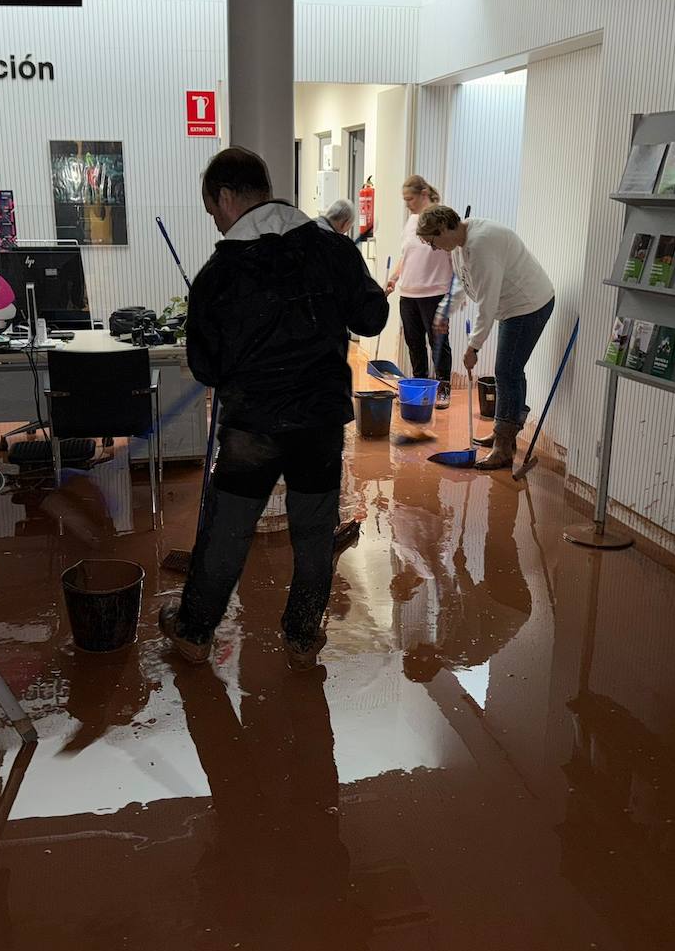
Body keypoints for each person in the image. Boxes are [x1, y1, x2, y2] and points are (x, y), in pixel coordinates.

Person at [160, 147, 389, 669]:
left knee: (228, 528)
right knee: (313, 532)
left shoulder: (218, 274)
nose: (216, 223)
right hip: (318, 422)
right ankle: (304, 636)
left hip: (253, 428)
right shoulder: (331, 248)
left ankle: (194, 633)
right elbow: (372, 317)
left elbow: (206, 369)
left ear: (225, 196)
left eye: (212, 211)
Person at [416, 204, 555, 471]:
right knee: (511, 370)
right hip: (510, 305)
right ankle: (505, 432)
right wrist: (445, 311)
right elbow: (462, 282)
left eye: (433, 242)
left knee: (507, 370)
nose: (434, 248)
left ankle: (503, 446)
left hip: (529, 304)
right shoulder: (458, 245)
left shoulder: (482, 245)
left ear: (444, 228)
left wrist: (473, 347)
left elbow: (486, 304)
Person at [384, 175, 453, 410]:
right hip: (408, 293)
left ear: (424, 193)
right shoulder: (411, 221)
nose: (407, 204)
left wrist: (455, 293)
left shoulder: (442, 217)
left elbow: (452, 251)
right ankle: (419, 388)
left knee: (438, 343)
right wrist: (393, 279)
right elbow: (406, 256)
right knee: (414, 344)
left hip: (435, 292)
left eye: (409, 198)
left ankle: (443, 392)